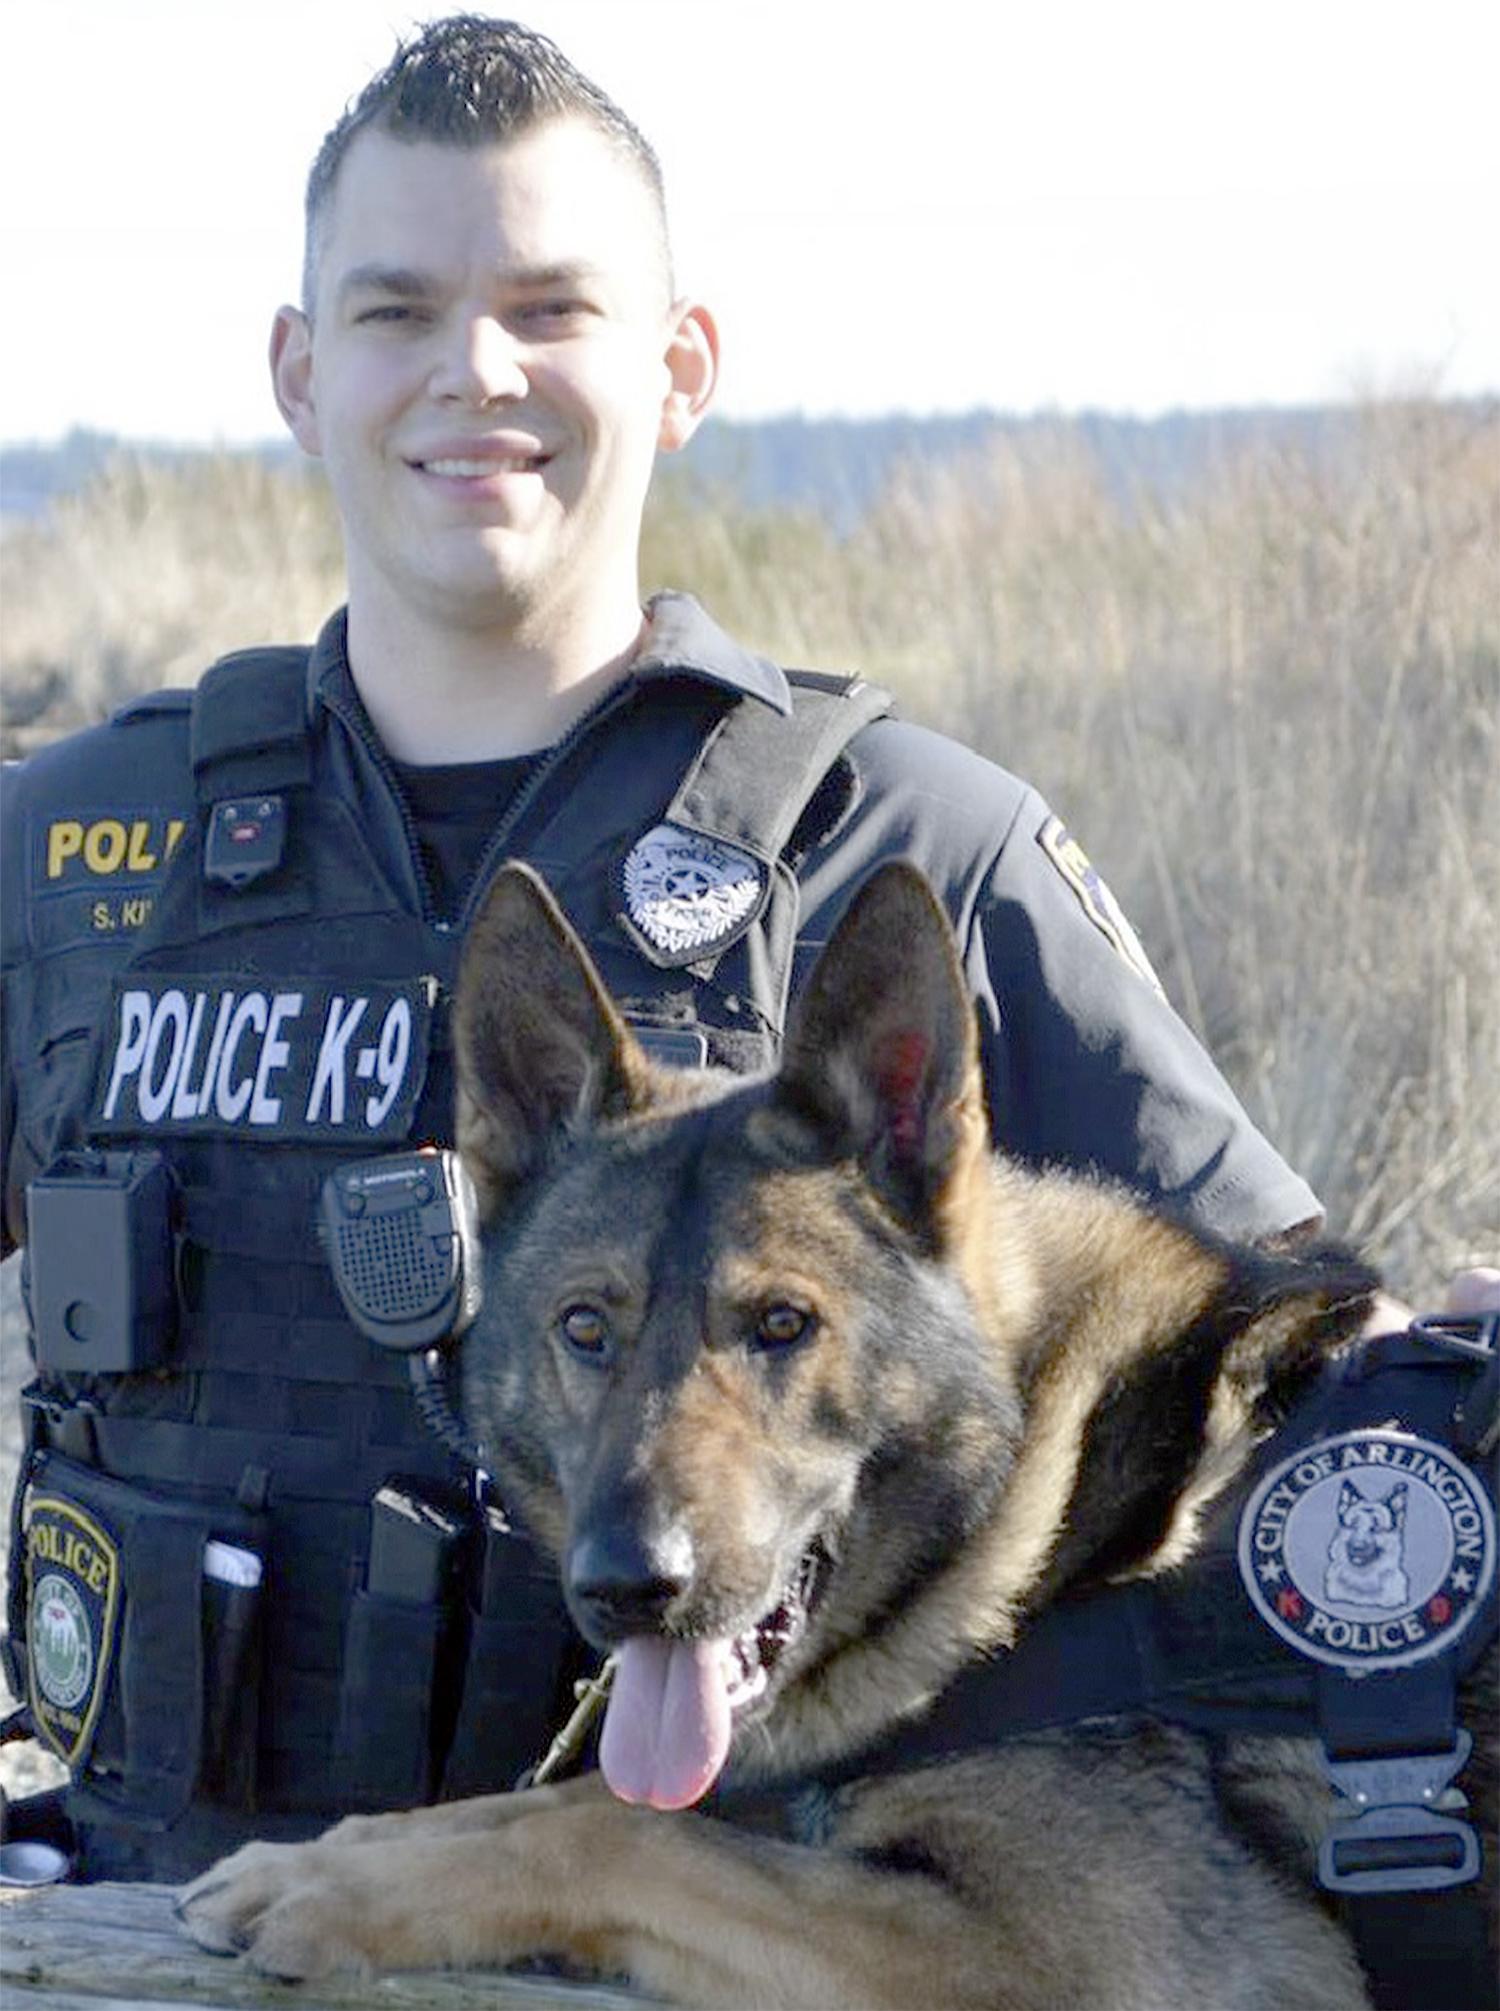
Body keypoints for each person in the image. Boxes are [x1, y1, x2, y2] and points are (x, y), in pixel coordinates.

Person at [0, 14, 1481, 1885]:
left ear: (682, 365)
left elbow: (1290, 1371)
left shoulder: (912, 840)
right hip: (142, 1920)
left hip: (731, 1936)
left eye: (552, 306)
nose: (474, 370)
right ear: (299, 373)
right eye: (394, 311)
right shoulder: (68, 855)